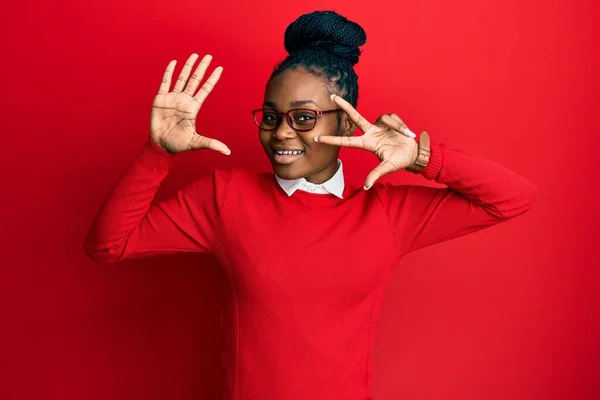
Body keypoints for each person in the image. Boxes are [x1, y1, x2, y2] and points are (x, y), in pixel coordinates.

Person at [83, 10, 538, 400]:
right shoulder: (226, 198)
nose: (281, 132)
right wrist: (156, 152)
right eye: (271, 116)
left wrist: (422, 157)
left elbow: (513, 198)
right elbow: (109, 245)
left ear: (346, 120)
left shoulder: (385, 214)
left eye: (303, 117)